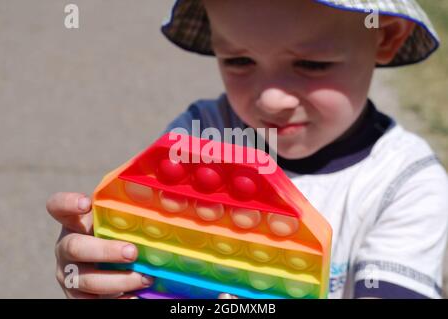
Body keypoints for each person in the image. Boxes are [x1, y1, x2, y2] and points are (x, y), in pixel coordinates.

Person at [47, 0, 448, 299]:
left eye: (312, 64)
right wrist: (103, 261)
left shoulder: (406, 186)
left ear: (387, 36)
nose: (272, 100)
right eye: (239, 59)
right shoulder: (204, 135)